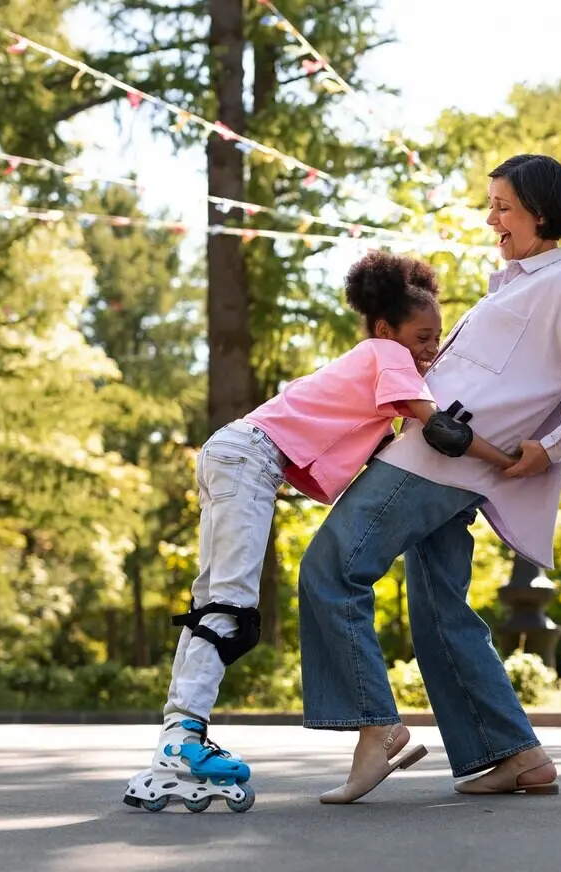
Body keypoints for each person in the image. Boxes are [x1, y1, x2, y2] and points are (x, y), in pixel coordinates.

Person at [123, 251, 519, 814]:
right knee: (230, 606)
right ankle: (183, 745)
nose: (432, 349)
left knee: (213, 599)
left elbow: (385, 443)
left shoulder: (373, 360)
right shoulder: (388, 355)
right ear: (388, 329)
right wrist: (507, 461)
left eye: (436, 337)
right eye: (423, 336)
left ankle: (179, 736)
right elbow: (439, 432)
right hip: (248, 460)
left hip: (234, 452)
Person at [300, 153, 561, 804]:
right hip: (449, 459)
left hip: (433, 465)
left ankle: (377, 726)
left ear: (542, 212)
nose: (492, 219)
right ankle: (512, 752)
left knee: (330, 569)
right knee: (438, 610)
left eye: (504, 207)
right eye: (492, 206)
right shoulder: (509, 287)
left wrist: (550, 445)